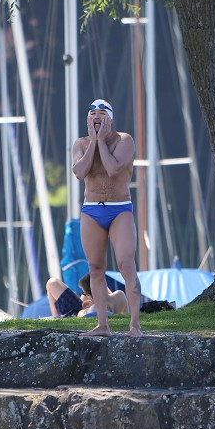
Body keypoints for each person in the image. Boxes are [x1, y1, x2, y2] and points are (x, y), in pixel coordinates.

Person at [71, 98, 142, 337]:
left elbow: (112, 170)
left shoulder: (124, 140)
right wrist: (93, 142)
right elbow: (80, 172)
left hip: (119, 208)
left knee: (126, 264)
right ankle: (102, 325)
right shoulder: (80, 144)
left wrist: (101, 140)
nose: (96, 117)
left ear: (110, 118)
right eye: (92, 114)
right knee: (96, 267)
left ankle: (134, 325)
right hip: (92, 210)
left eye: (101, 114)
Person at [46, 273, 128, 318]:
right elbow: (127, 315)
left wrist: (86, 307)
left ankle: (56, 317)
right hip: (89, 305)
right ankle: (56, 317)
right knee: (52, 283)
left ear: (90, 296)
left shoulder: (94, 309)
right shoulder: (120, 295)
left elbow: (81, 316)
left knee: (52, 282)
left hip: (75, 312)